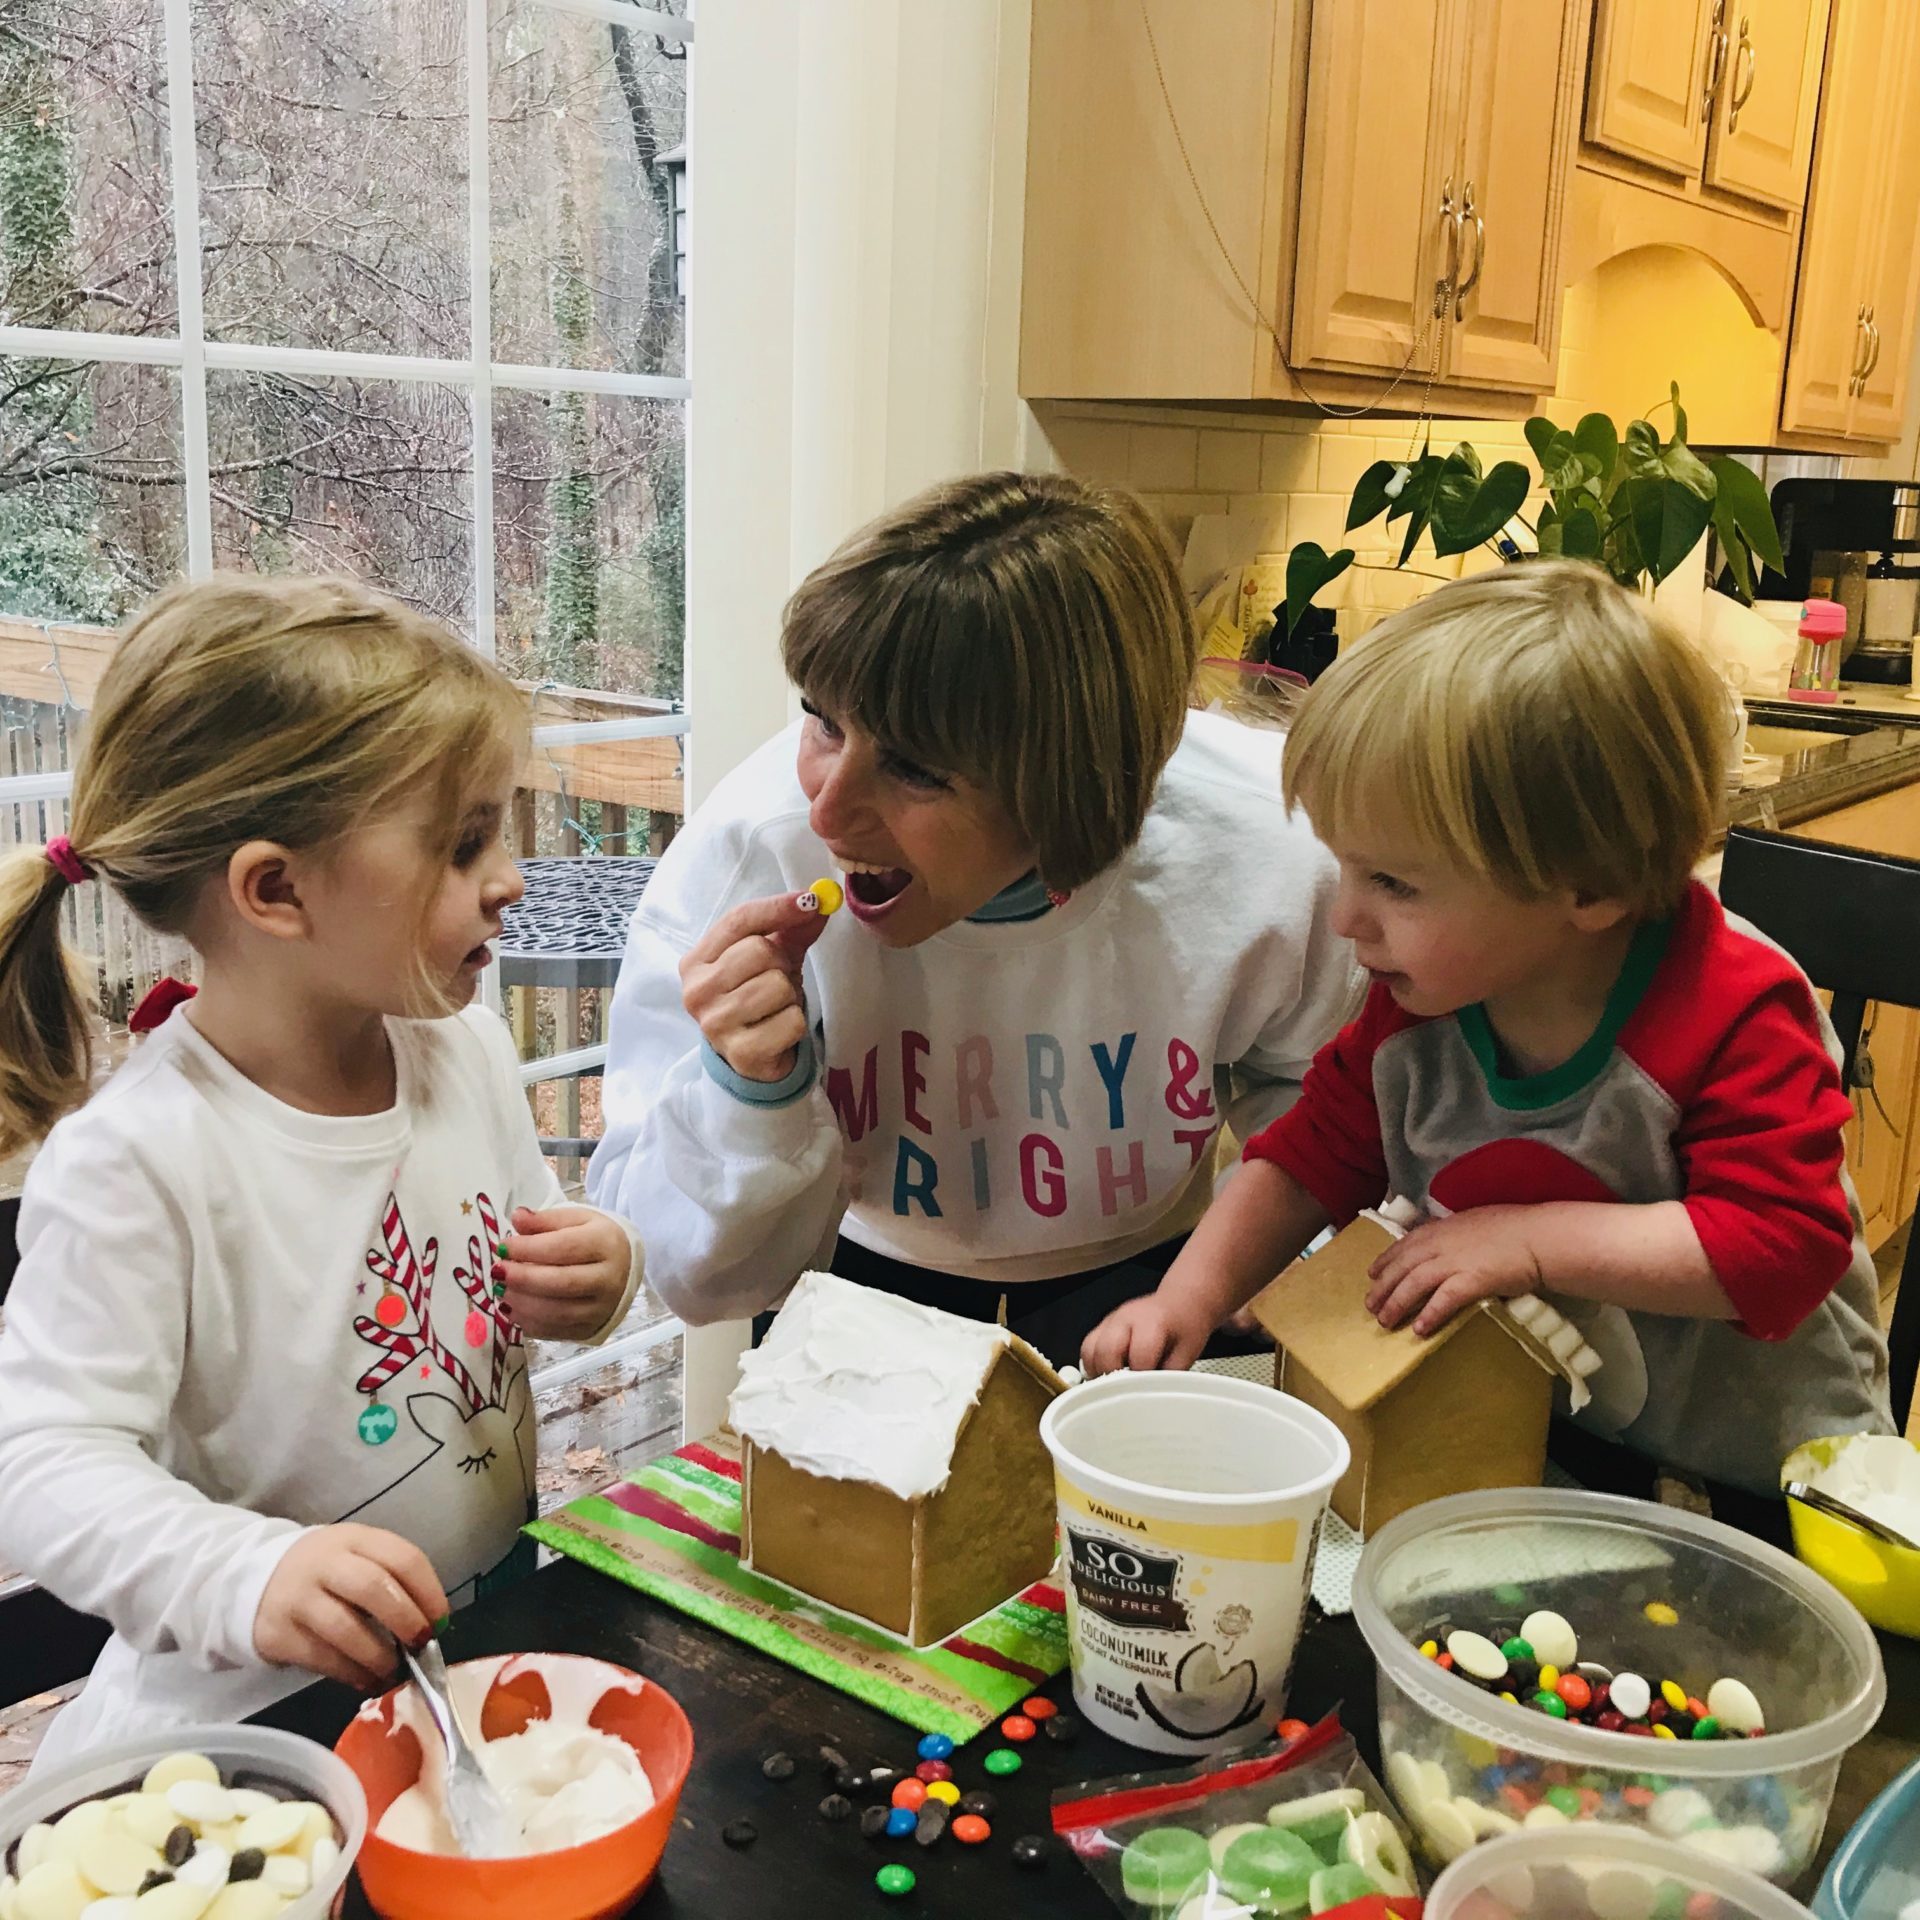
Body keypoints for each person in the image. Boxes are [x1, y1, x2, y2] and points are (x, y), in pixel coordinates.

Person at [0, 576, 644, 1767]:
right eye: (461, 844)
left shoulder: (467, 1050)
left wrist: (595, 1271)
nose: (507, 876)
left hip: (471, 1662)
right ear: (275, 890)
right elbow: (41, 1456)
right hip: (252, 1737)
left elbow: (521, 1256)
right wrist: (248, 1569)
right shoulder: (139, 1158)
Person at [1082, 558, 1892, 1505]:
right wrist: (1189, 1298)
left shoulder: (1735, 1012)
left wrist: (1529, 1241)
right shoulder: (1420, 1004)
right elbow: (1309, 1158)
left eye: (1395, 883)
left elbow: (1782, 1245)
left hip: (1773, 1477)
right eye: (1344, 868)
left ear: (1588, 887)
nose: (1345, 918)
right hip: (1567, 1448)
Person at [589, 471, 1362, 1362]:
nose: (828, 815)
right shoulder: (749, 852)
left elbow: (1331, 1099)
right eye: (824, 723)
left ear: (1071, 782)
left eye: (917, 769)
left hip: (1160, 1290)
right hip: (847, 1288)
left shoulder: (1271, 849)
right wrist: (750, 1093)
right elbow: (698, 1282)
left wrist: (1282, 1253)